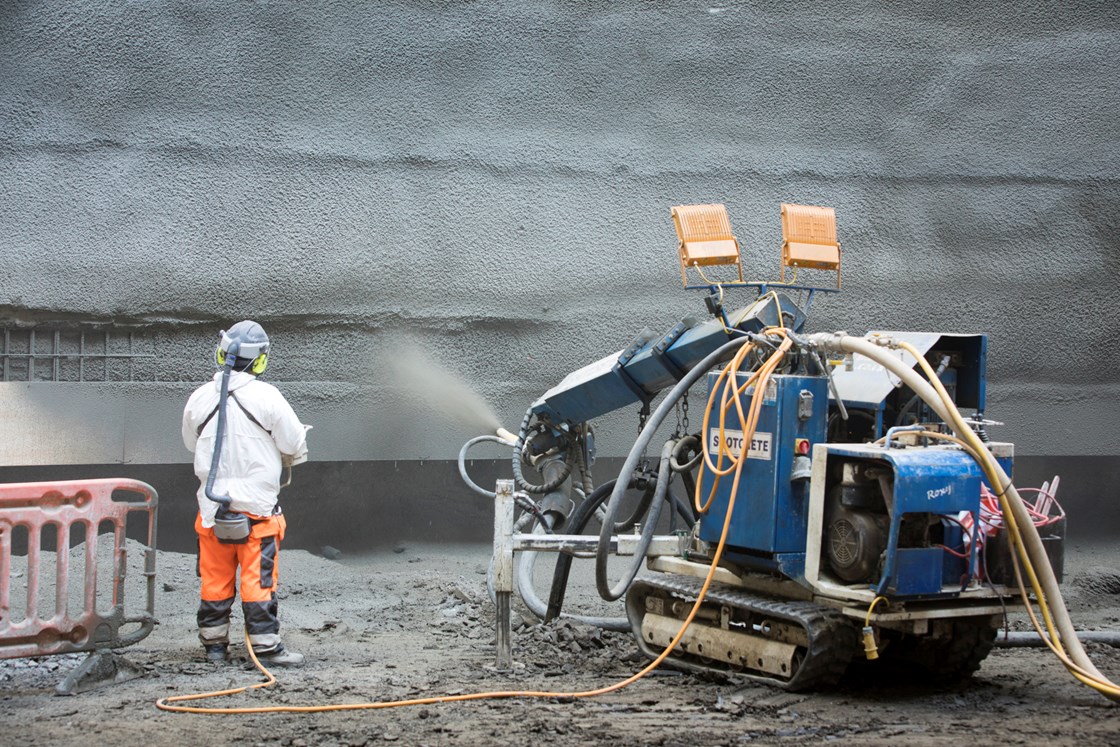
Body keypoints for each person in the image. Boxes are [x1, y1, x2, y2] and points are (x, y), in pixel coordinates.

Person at [181, 320, 309, 666]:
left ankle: (215, 647)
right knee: (258, 581)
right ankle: (266, 647)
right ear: (260, 360)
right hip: (257, 512)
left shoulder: (199, 397)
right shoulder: (267, 397)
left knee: (214, 581)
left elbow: (191, 443)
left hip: (212, 512)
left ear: (221, 353)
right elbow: (294, 442)